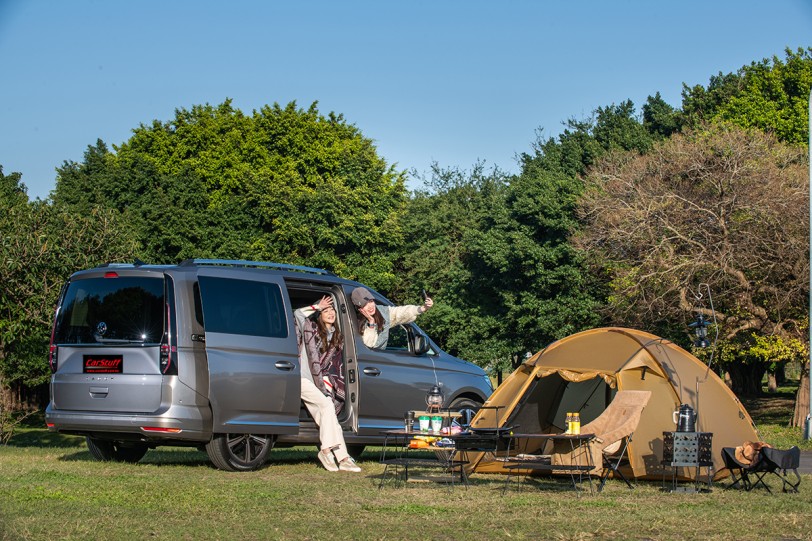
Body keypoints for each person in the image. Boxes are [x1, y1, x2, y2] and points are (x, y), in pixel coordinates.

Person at [294, 295, 361, 473]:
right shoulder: (310, 327)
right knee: (326, 405)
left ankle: (343, 458)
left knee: (328, 416)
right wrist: (317, 306)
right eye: (326, 310)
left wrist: (328, 383)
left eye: (332, 310)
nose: (330, 313)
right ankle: (325, 451)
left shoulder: (336, 337)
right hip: (299, 378)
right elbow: (298, 313)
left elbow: (332, 367)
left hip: (317, 381)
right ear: (319, 314)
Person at [351, 286, 433, 349]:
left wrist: (423, 308)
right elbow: (368, 345)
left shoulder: (382, 312)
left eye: (371, 301)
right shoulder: (353, 321)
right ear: (359, 308)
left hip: (380, 358)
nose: (370, 306)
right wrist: (371, 323)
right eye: (365, 304)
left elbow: (400, 312)